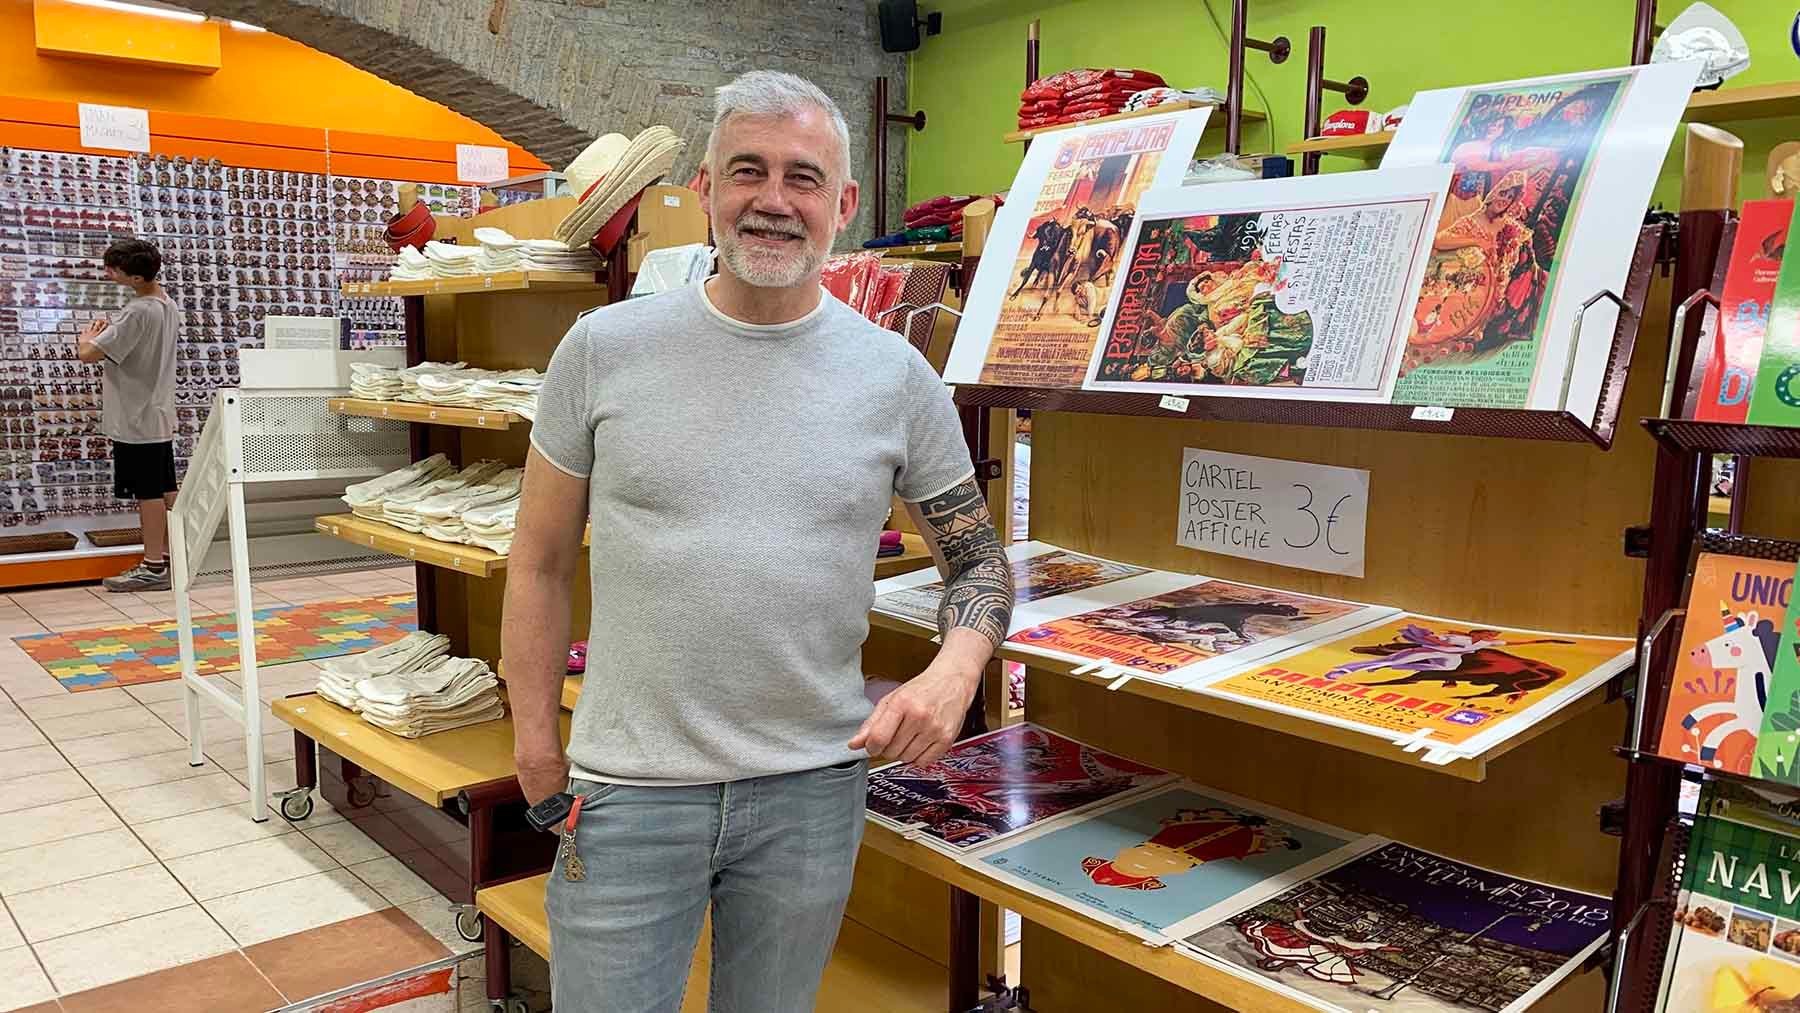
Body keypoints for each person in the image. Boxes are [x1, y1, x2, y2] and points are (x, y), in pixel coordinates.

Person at [502, 70, 1014, 1013]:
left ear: (844, 204)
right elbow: (536, 563)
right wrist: (536, 741)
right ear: (705, 188)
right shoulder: (603, 350)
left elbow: (979, 561)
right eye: (748, 171)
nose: (773, 201)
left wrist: (954, 672)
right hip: (627, 787)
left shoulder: (896, 378)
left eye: (803, 177)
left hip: (808, 795)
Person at [77, 238, 181, 592]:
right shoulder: (166, 303)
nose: (108, 273)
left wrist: (86, 336)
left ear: (135, 277)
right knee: (166, 489)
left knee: (148, 492)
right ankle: (174, 556)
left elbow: (89, 353)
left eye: (114, 269)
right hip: (155, 413)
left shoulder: (138, 311)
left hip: (137, 418)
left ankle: (153, 566)